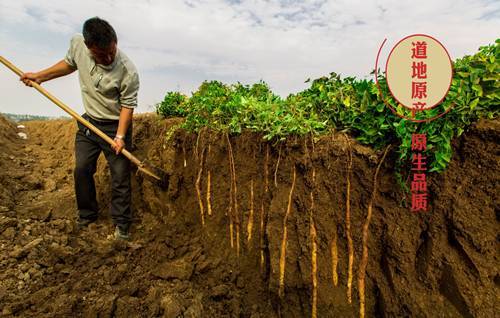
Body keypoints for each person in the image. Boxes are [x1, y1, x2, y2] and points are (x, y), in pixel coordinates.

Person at [21, 17, 139, 240]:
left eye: (111, 52)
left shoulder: (128, 71)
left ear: (115, 43)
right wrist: (40, 77)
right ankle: (87, 216)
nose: (108, 58)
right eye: (101, 55)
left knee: (120, 176)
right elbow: (69, 63)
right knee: (82, 169)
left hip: (115, 126)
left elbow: (127, 105)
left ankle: (122, 226)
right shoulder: (78, 45)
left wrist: (121, 136)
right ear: (88, 47)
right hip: (88, 123)